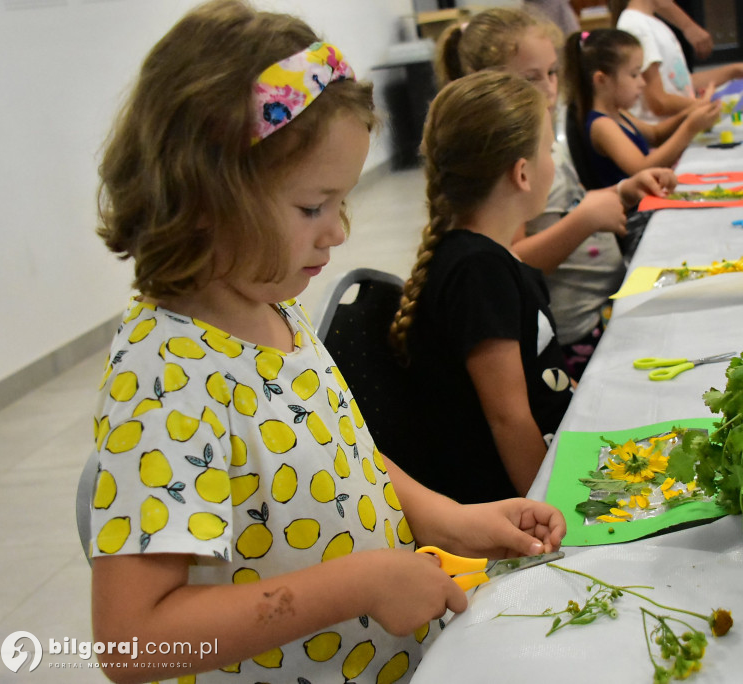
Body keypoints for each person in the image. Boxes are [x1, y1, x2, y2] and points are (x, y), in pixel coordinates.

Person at [89, 3, 565, 683]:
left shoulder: (274, 312)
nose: (337, 231)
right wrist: (361, 585)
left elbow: (350, 463)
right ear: (205, 195)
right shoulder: (165, 375)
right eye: (312, 207)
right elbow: (133, 643)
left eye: (342, 203)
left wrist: (450, 519)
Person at [434, 7, 675, 378]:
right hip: (574, 330)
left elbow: (567, 203)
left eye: (551, 73)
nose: (548, 88)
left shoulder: (539, 136)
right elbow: (508, 261)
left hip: (602, 308)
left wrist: (623, 190)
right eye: (531, 78)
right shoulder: (504, 160)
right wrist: (584, 221)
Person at [389, 70, 574, 505]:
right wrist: (552, 512)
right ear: (522, 174)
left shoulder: (488, 256)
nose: (553, 161)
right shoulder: (478, 272)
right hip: (504, 500)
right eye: (549, 150)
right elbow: (508, 420)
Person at [565, 28, 721, 187]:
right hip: (632, 210)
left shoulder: (617, 112)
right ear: (601, 80)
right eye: (634, 75)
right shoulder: (602, 125)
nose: (642, 83)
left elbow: (655, 135)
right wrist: (690, 128)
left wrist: (691, 112)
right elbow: (642, 168)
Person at [612, 0, 743, 123]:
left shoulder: (651, 23)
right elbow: (658, 102)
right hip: (666, 137)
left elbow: (680, 83)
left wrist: (734, 71)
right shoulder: (637, 27)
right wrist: (703, 105)